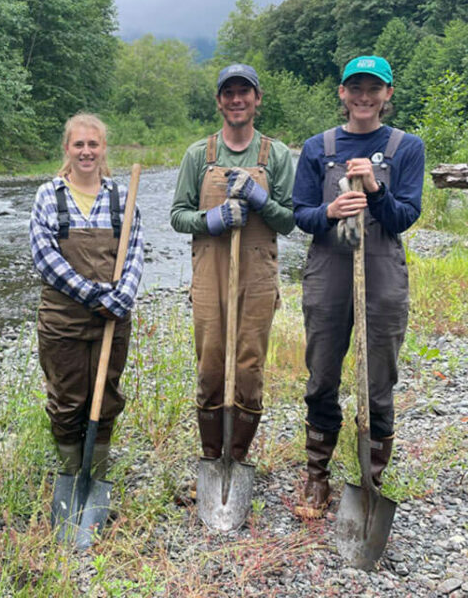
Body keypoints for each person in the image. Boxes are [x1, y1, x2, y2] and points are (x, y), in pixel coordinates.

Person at [292, 55, 424, 518]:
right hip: (329, 269)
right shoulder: (317, 147)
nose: (364, 97)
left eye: (374, 88)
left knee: (379, 378)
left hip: (383, 269)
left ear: (388, 94)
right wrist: (328, 212)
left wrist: (375, 191)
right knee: (322, 373)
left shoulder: (407, 147)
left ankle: (371, 478)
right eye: (356, 88)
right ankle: (316, 474)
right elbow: (300, 213)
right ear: (342, 93)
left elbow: (406, 215)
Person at [170, 64, 295, 463]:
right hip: (209, 274)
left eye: (245, 92)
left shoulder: (274, 154)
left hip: (257, 276)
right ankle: (211, 457)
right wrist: (211, 220)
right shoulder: (198, 155)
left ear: (258, 99)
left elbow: (291, 220)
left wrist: (262, 201)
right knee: (209, 366)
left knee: (248, 368)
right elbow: (177, 215)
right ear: (219, 101)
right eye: (229, 93)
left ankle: (236, 458)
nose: (236, 99)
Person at [30, 113, 144, 479]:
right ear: (67, 148)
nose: (86, 152)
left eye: (93, 144)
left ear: (103, 148)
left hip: (112, 320)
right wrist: (96, 295)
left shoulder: (121, 197)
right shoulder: (49, 195)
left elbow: (135, 251)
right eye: (78, 144)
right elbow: (45, 258)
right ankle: (70, 474)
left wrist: (122, 297)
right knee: (67, 401)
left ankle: (94, 478)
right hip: (63, 321)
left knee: (106, 397)